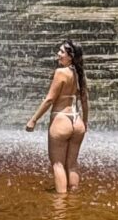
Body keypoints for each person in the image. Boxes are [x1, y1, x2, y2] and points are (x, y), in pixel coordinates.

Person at [24, 39, 90, 193]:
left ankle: (60, 207)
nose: (58, 55)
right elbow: (85, 101)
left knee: (58, 164)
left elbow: (50, 100)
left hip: (61, 120)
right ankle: (73, 202)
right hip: (77, 121)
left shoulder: (61, 72)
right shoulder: (79, 73)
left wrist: (33, 120)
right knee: (72, 164)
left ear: (70, 56)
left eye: (61, 52)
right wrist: (85, 122)